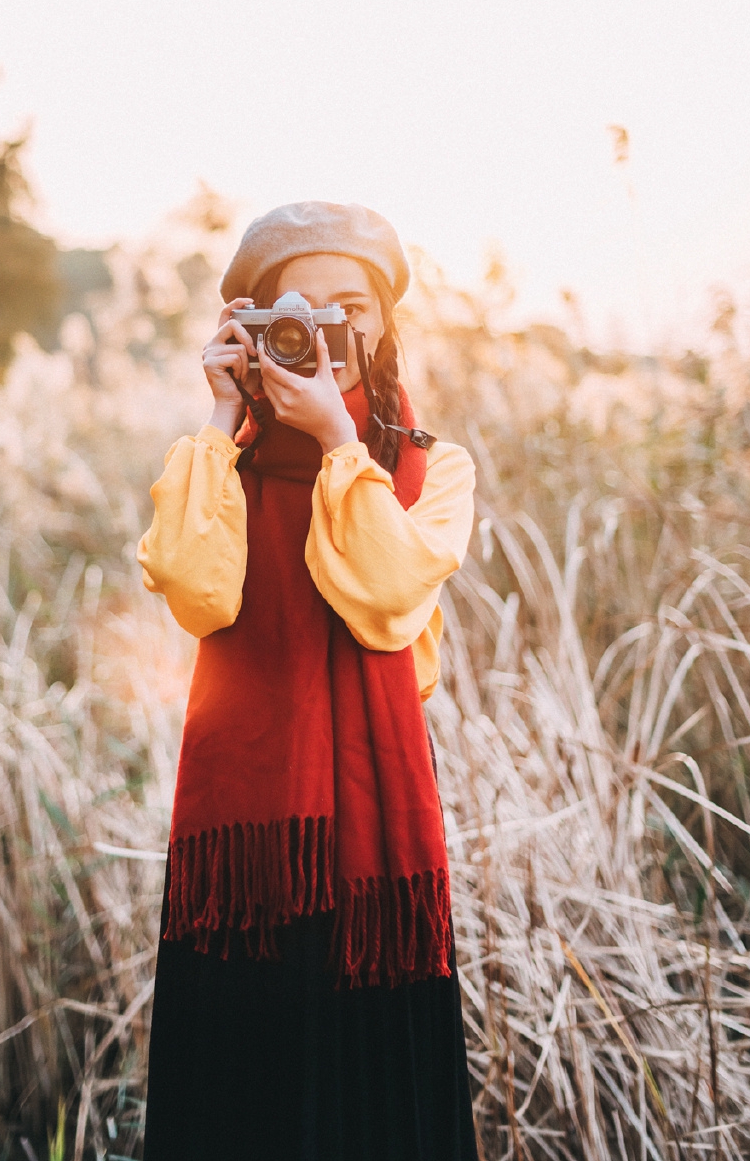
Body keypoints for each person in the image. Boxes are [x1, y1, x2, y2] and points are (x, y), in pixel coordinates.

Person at [137, 201, 480, 1161]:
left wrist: (338, 444)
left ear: (383, 326)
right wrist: (218, 413)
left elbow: (386, 596)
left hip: (374, 850)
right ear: (250, 328)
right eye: (296, 310)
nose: (328, 331)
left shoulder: (433, 470)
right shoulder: (221, 468)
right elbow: (197, 594)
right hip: (246, 857)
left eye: (351, 308)